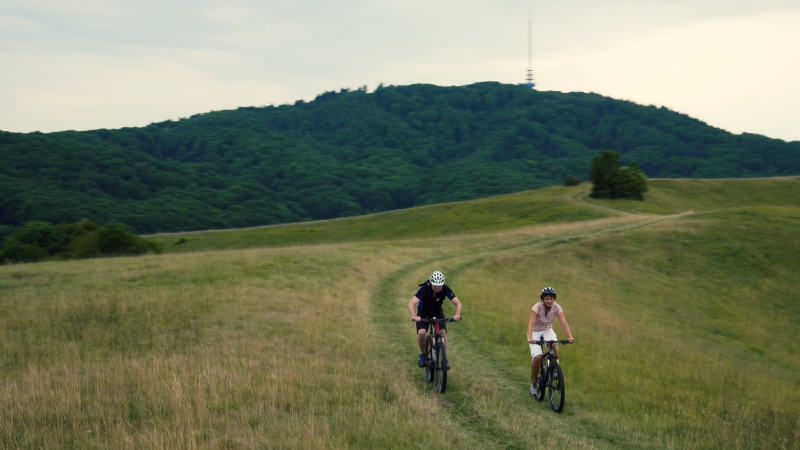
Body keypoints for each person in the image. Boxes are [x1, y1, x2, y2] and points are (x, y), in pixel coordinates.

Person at [409, 271, 462, 368]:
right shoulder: (424, 289)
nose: (437, 288)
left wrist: (457, 314)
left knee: (442, 332)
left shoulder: (445, 289)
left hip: (437, 313)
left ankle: (444, 359)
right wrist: (414, 316)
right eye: (435, 285)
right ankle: (423, 354)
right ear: (431, 283)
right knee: (421, 333)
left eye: (439, 285)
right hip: (423, 313)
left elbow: (458, 303)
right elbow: (411, 303)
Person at [527, 286, 574, 397]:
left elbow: (563, 323)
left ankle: (554, 369)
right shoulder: (537, 307)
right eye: (547, 298)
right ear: (543, 299)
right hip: (535, 332)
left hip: (547, 329)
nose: (549, 301)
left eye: (551, 299)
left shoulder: (557, 307)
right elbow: (530, 323)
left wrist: (569, 336)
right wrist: (530, 338)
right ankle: (533, 384)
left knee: (553, 344)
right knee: (538, 357)